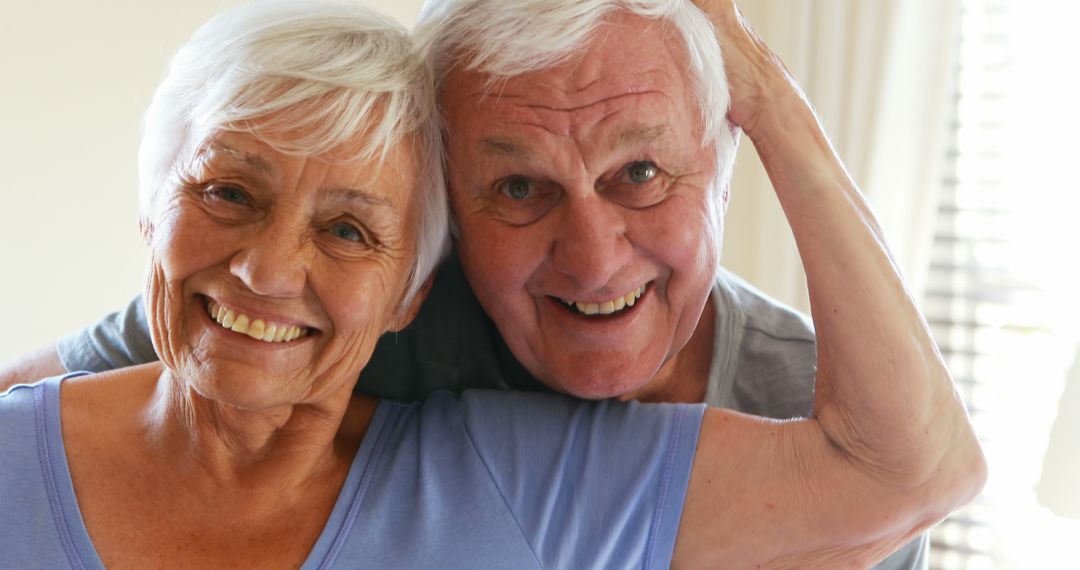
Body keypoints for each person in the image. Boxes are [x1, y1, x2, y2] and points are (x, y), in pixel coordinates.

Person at [0, 0, 982, 566]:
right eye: (518, 187)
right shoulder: (332, 311)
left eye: (639, 174)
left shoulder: (824, 406)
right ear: (448, 225)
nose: (593, 258)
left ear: (722, 164)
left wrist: (762, 88)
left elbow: (925, 474)